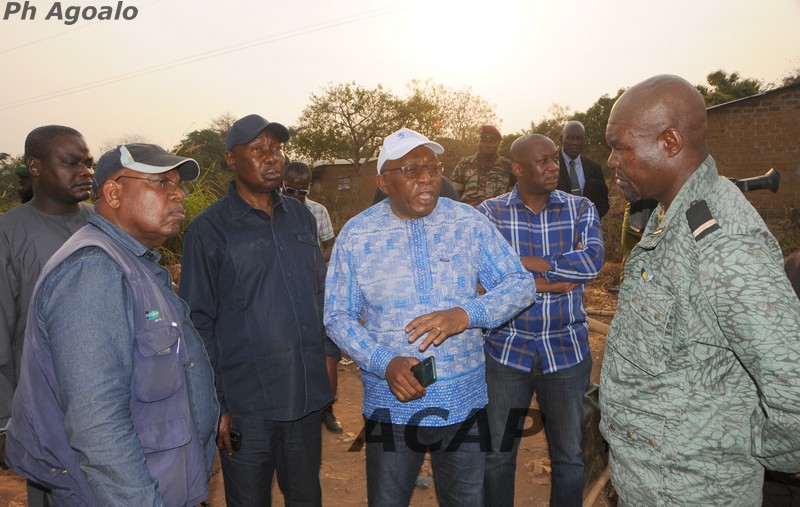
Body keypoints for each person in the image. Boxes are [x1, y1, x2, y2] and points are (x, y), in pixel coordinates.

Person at [599, 74, 800, 506]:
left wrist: (745, 446)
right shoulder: (670, 212)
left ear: (670, 142)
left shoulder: (725, 244)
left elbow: (794, 391)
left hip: (693, 492)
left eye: (622, 147)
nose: (612, 161)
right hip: (650, 483)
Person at [324, 127, 535, 506]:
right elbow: (337, 315)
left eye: (432, 168)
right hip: (392, 403)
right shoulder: (358, 235)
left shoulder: (468, 223)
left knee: (466, 500)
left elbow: (521, 284)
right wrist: (383, 362)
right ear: (383, 182)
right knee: (388, 500)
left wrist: (467, 313)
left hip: (463, 399)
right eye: (410, 170)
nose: (426, 179)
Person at [5, 143, 219, 506]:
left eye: (177, 184)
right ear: (114, 192)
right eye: (162, 183)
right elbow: (96, 422)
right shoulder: (93, 270)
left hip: (162, 481)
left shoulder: (133, 264)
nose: (179, 194)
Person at [180, 114, 337, 506]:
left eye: (277, 149)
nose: (273, 158)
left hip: (303, 396)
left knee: (305, 496)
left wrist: (329, 358)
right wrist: (217, 403)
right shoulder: (209, 230)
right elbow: (198, 322)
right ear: (232, 160)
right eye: (258, 150)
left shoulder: (300, 217)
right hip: (246, 404)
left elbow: (322, 293)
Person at [478, 134, 604, 507]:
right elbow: (485, 275)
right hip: (505, 350)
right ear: (517, 168)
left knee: (568, 455)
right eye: (543, 161)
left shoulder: (580, 208)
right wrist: (554, 277)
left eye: (555, 160)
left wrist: (527, 268)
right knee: (498, 454)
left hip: (565, 351)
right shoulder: (489, 213)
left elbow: (593, 262)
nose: (553, 167)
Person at [0, 125, 95, 504]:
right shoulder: (9, 234)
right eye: (71, 163)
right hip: (45, 410)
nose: (85, 171)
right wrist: (6, 421)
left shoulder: (103, 222)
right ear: (35, 166)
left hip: (110, 406)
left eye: (88, 163)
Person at [282, 161, 343, 434]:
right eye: (289, 191)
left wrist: (316, 260)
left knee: (328, 351)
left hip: (317, 290)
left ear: (309, 188)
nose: (295, 197)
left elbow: (330, 244)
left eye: (301, 192)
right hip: (284, 291)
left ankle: (327, 409)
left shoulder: (318, 211)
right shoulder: (272, 212)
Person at [556, 120, 610, 218]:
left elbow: (603, 202)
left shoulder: (594, 168)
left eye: (579, 138)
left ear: (584, 140)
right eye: (570, 138)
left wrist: (590, 219)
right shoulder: (550, 166)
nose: (575, 143)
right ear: (561, 139)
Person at [450, 125, 514, 206]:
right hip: (469, 214)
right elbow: (453, 196)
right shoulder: (464, 165)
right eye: (483, 141)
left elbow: (514, 197)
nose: (488, 145)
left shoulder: (509, 167)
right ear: (478, 142)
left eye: (492, 141)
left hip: (498, 215)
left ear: (499, 143)